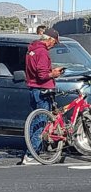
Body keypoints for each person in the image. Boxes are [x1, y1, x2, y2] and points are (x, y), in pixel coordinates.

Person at [22, 28, 64, 164]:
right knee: (41, 122)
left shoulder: (32, 50)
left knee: (35, 121)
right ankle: (31, 154)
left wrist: (49, 71)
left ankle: (31, 151)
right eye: (55, 43)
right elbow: (42, 75)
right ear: (49, 39)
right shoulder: (42, 52)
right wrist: (54, 74)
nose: (54, 45)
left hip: (33, 88)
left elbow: (36, 71)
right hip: (42, 90)